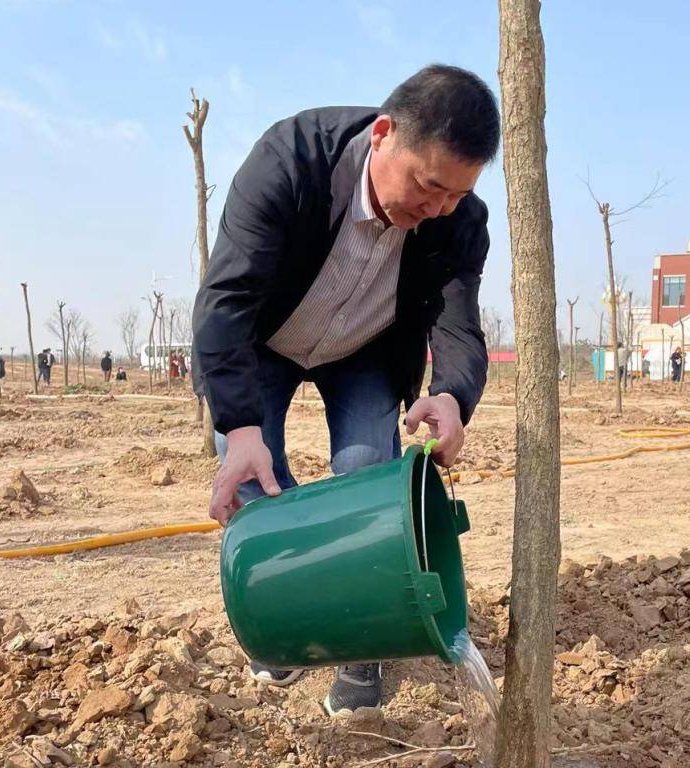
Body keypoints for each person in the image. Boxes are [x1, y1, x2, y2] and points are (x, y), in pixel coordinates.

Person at [191, 65, 499, 714]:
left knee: (372, 484)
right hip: (265, 343)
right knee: (255, 479)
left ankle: (361, 664)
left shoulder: (457, 217)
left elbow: (457, 318)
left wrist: (451, 394)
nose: (437, 208)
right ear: (383, 135)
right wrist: (240, 428)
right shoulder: (289, 162)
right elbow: (227, 301)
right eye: (428, 185)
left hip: (363, 351)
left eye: (455, 194)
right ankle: (285, 633)